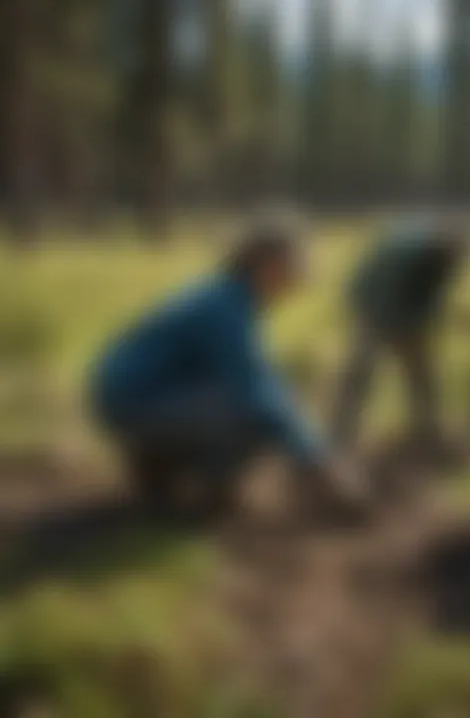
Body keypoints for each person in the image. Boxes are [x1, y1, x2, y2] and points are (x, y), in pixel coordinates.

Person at [88, 216, 367, 521]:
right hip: (137, 402)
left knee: (257, 404)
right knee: (256, 416)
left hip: (131, 395)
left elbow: (251, 374)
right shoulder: (226, 308)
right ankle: (212, 495)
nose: (297, 279)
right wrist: (316, 461)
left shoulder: (226, 294)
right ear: (268, 264)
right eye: (294, 267)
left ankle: (157, 474)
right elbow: (255, 391)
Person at [331, 214, 470, 453]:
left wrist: (427, 324)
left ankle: (428, 430)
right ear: (442, 242)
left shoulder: (444, 260)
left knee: (422, 373)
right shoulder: (406, 256)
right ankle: (338, 433)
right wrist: (405, 327)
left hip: (405, 310)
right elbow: (386, 295)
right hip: (373, 306)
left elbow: (431, 296)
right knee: (361, 370)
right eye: (453, 250)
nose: (456, 258)